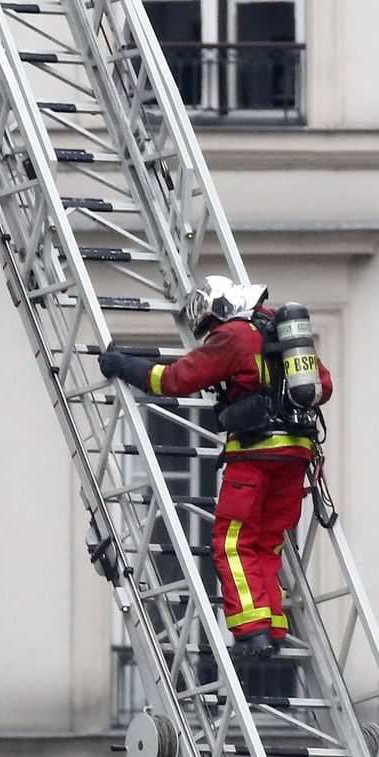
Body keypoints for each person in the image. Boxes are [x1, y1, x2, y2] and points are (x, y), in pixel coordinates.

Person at [99, 276, 333, 659]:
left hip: (254, 453)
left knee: (232, 541)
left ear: (221, 307)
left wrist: (123, 365)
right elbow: (324, 384)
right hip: (296, 453)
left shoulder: (233, 335)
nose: (210, 332)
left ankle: (251, 632)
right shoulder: (280, 334)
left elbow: (175, 379)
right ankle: (272, 626)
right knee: (267, 542)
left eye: (210, 323)